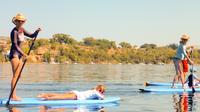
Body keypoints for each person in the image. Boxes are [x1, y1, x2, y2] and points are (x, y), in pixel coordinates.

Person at [9, 13, 41, 101]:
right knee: (15, 76)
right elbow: (15, 45)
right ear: (15, 21)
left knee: (18, 76)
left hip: (19, 55)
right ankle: (13, 96)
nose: (20, 22)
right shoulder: (14, 31)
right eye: (18, 21)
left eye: (22, 21)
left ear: (24, 22)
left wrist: (36, 31)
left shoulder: (22, 29)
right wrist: (23, 53)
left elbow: (31, 36)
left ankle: (12, 95)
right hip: (14, 55)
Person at [37, 85, 105, 100]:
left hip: (76, 93)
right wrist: (102, 95)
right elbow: (102, 98)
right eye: (102, 91)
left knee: (60, 95)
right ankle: (48, 98)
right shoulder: (96, 92)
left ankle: (44, 95)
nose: (102, 92)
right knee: (61, 97)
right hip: (77, 96)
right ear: (99, 90)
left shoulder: (93, 90)